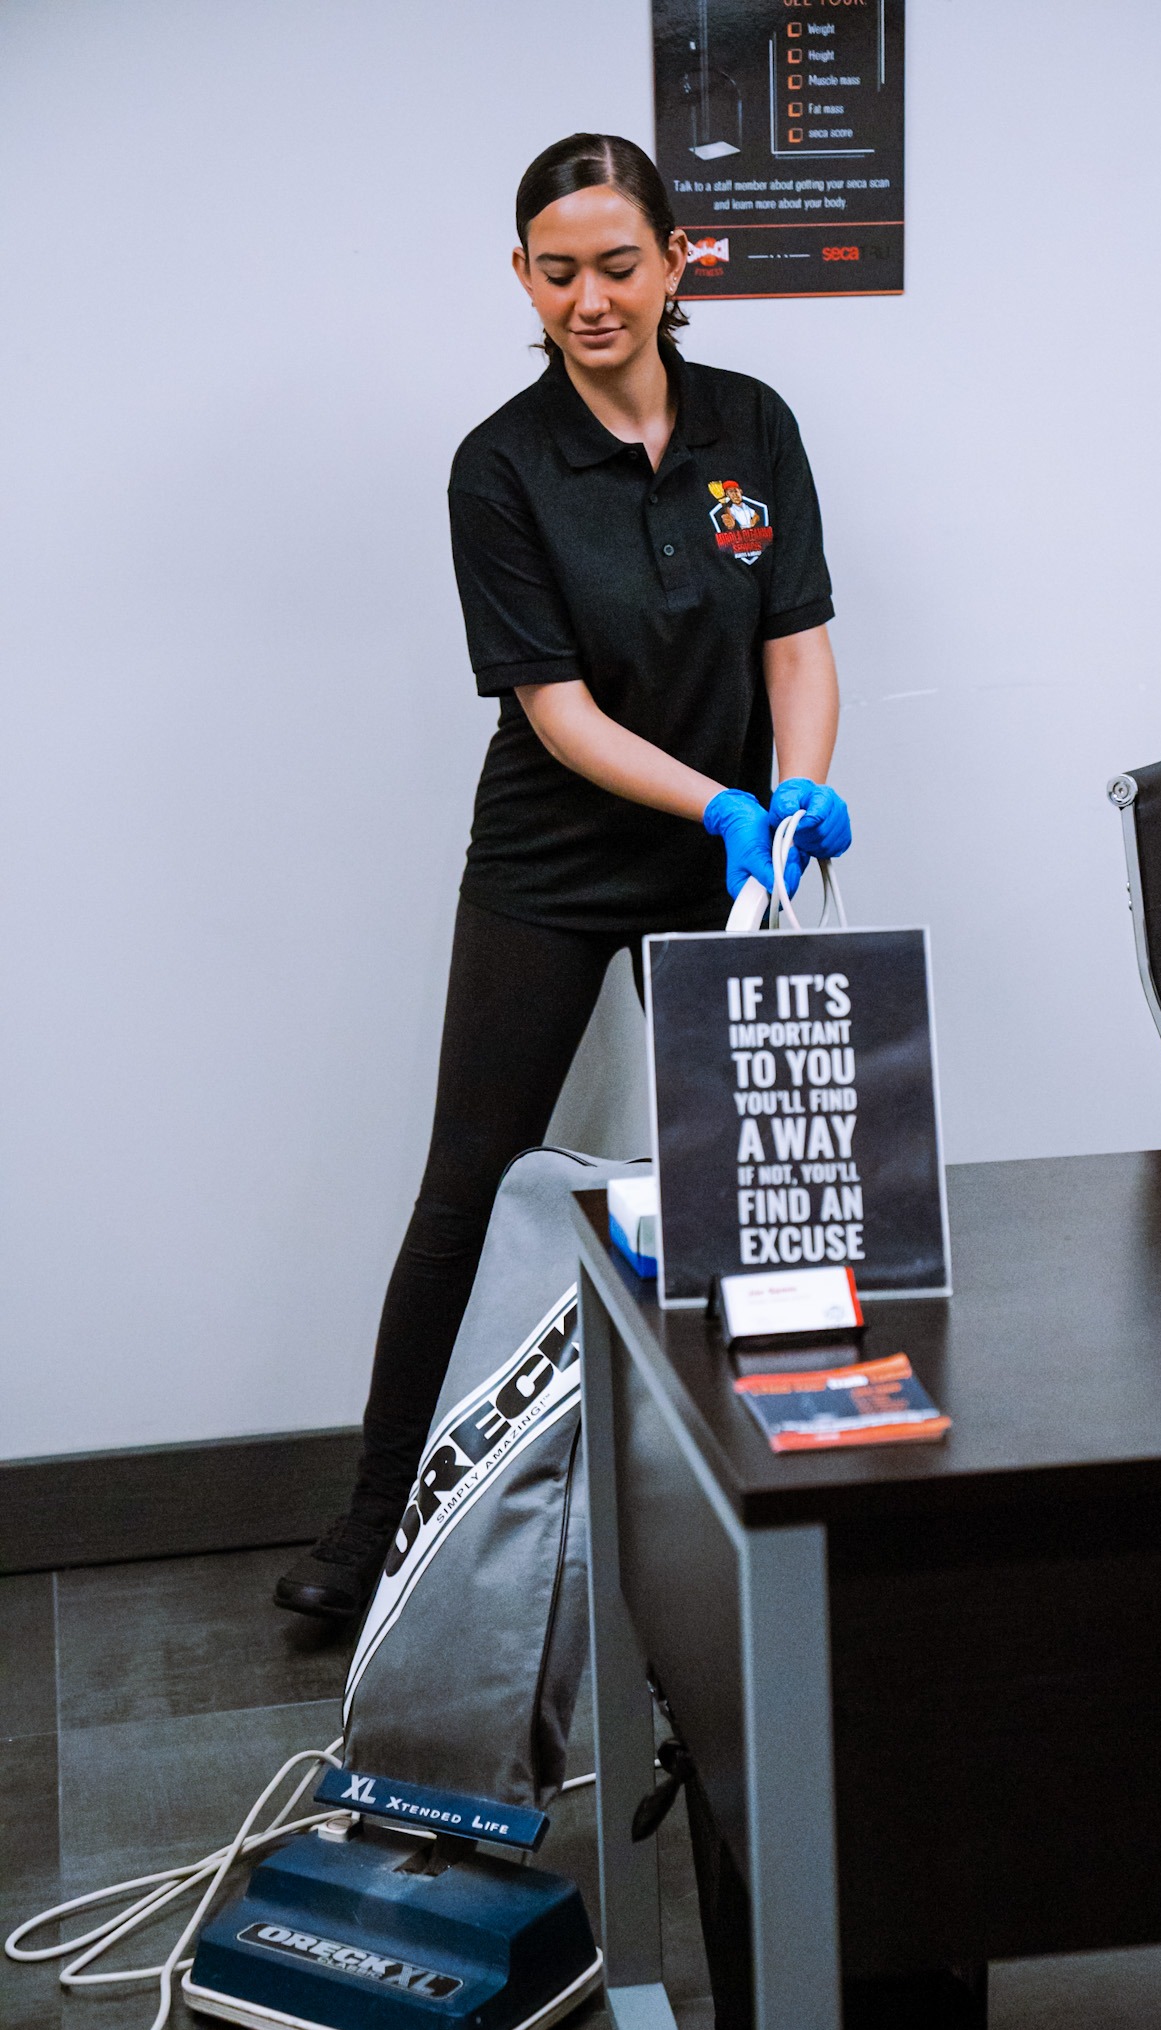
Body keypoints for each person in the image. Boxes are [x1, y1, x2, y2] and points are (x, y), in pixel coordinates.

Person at [275, 132, 851, 1622]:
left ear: (675, 263)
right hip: (556, 853)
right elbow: (559, 713)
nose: (588, 299)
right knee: (472, 1181)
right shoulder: (502, 465)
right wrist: (726, 800)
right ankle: (371, 1526)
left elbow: (794, 641)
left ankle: (780, 1480)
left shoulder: (753, 424)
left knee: (754, 1176)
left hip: (726, 859)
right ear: (523, 282)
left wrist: (796, 791)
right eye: (556, 272)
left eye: (615, 265)